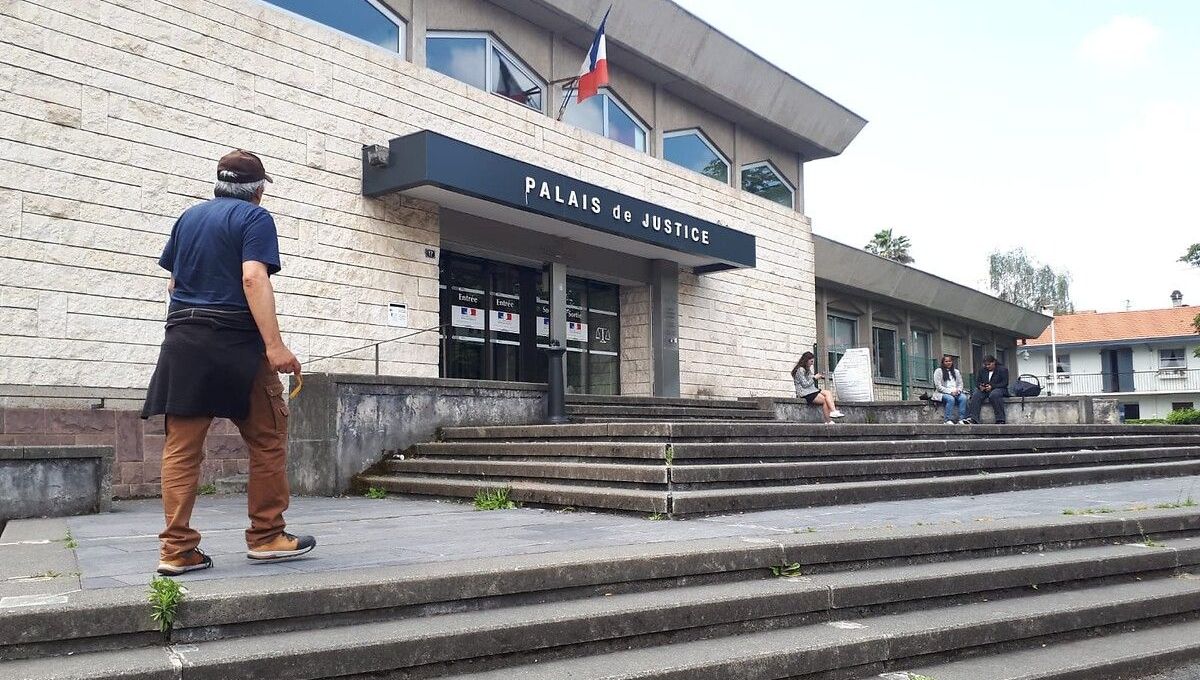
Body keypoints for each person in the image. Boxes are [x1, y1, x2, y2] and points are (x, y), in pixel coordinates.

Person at [142, 149, 315, 576]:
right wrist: (274, 346)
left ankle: (177, 550)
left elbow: (173, 283)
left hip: (184, 338)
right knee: (268, 437)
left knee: (182, 449)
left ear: (219, 184)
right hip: (237, 342)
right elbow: (253, 277)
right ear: (258, 190)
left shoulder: (187, 219)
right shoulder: (255, 219)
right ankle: (267, 535)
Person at [792, 352, 845, 423]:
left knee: (828, 393)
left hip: (811, 390)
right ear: (806, 360)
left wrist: (818, 376)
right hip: (805, 393)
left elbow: (811, 379)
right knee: (824, 400)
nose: (812, 363)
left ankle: (833, 411)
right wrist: (814, 378)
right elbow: (805, 384)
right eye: (811, 361)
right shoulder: (800, 370)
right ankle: (829, 420)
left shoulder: (807, 369)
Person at [964, 355, 1010, 424]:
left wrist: (992, 386)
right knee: (976, 395)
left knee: (994, 395)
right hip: (985, 390)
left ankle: (1000, 419)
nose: (987, 366)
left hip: (999, 389)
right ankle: (973, 418)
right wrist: (980, 386)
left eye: (989, 364)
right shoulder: (982, 370)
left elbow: (1004, 383)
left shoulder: (1002, 369)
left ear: (994, 362)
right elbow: (978, 381)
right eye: (986, 365)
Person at [932, 355, 968, 424]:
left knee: (963, 398)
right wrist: (950, 392)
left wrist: (958, 391)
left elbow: (960, 384)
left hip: (956, 392)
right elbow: (938, 386)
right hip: (942, 393)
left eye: (950, 361)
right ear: (943, 362)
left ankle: (961, 419)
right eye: (946, 361)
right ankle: (947, 419)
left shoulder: (956, 372)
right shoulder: (938, 371)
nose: (948, 363)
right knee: (950, 399)